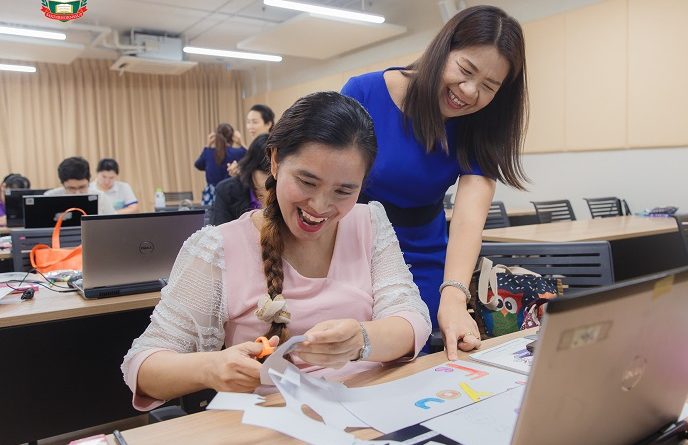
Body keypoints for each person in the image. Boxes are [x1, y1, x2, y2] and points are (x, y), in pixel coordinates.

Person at [121, 91, 430, 410]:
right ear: (275, 161)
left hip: (370, 406)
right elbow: (141, 367)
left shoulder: (369, 222)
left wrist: (362, 340)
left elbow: (412, 318)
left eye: (343, 191)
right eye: (307, 182)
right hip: (273, 419)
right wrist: (211, 368)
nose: (320, 205)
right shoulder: (218, 249)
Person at [341, 5, 528, 359]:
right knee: (350, 356)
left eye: (488, 87)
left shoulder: (480, 124)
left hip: (421, 254)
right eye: (465, 70)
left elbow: (469, 219)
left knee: (413, 355)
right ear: (443, 48)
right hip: (352, 246)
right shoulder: (364, 92)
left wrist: (454, 295)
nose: (469, 91)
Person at [212, 133, 270, 225]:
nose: (272, 181)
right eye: (266, 173)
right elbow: (219, 230)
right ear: (251, 168)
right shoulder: (227, 192)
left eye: (277, 174)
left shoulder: (286, 194)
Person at [195, 123, 247, 205]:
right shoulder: (239, 152)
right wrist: (241, 143)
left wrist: (207, 146)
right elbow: (252, 160)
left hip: (211, 196)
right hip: (232, 194)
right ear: (232, 137)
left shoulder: (208, 152)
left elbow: (198, 165)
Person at [45, 156, 116, 215]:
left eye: (82, 187)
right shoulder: (49, 197)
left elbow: (113, 223)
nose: (77, 193)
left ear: (89, 181)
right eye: (71, 188)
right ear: (63, 184)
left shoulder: (101, 197)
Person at [227, 104, 275, 177]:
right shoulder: (258, 145)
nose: (250, 126)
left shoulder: (271, 146)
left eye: (255, 122)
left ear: (268, 124)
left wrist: (240, 170)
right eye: (248, 122)